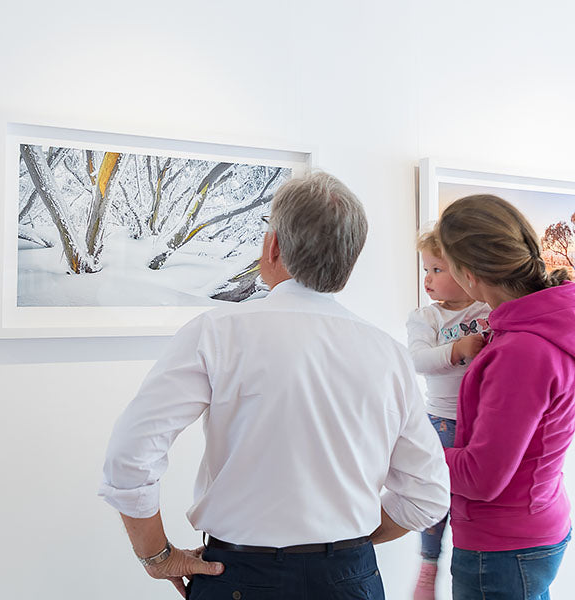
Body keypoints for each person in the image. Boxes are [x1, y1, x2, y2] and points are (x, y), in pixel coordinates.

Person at [99, 171, 450, 600]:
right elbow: (427, 496)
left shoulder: (216, 333)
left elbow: (129, 457)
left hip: (239, 577)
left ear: (274, 246)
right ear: (348, 261)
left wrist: (157, 556)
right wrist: (339, 545)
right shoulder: (389, 354)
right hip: (349, 579)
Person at [435, 194, 575, 600]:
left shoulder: (523, 352)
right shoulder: (543, 325)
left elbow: (481, 477)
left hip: (503, 545)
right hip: (530, 529)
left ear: (468, 274)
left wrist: (402, 444)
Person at [407, 231, 490, 600]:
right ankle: (429, 563)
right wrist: (456, 350)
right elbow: (417, 359)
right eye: (426, 269)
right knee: (437, 494)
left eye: (437, 269)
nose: (427, 279)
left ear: (465, 271)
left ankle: (468, 554)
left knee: (472, 497)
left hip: (483, 421)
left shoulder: (487, 311)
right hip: (441, 419)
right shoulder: (426, 316)